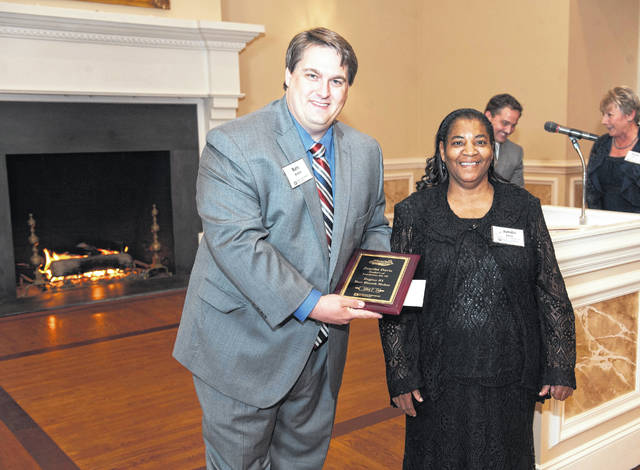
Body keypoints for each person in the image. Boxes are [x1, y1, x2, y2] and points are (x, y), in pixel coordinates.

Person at [172, 27, 391, 470]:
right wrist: (313, 304)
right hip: (242, 347)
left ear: (348, 88)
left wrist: (382, 283)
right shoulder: (232, 144)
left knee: (303, 462)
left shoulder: (366, 151)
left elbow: (373, 226)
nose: (324, 92)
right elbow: (238, 245)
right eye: (312, 75)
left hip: (321, 351)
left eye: (337, 81)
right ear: (288, 75)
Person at [379, 108, 576, 469]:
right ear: (442, 151)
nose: (469, 151)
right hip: (437, 378)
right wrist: (400, 374)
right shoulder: (414, 213)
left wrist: (560, 364)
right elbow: (399, 302)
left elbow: (549, 288)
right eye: (458, 142)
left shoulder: (523, 208)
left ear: (492, 150)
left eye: (480, 142)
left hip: (510, 374)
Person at [586, 86, 640, 213]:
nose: (604, 121)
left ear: (630, 114)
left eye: (609, 115)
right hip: (604, 224)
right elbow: (591, 189)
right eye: (603, 115)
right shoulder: (601, 145)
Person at [484, 93, 525, 187]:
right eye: (505, 123)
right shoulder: (464, 145)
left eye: (513, 125)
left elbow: (517, 193)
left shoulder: (515, 152)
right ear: (488, 116)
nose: (508, 130)